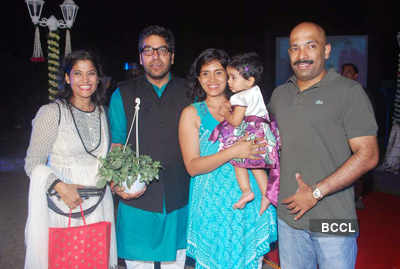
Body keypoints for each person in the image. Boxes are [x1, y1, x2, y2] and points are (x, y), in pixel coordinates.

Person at [269, 22, 379, 269]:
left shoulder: (349, 92)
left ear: (326, 51)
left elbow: (368, 155)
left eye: (311, 46)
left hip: (334, 219)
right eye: (295, 48)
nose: (302, 55)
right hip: (289, 219)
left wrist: (315, 193)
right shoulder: (279, 95)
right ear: (289, 55)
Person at [179, 48, 277, 269]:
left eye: (219, 72)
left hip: (247, 205)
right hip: (211, 207)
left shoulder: (246, 106)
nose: (212, 80)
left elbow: (262, 148)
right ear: (198, 78)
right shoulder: (192, 113)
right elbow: (192, 167)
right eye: (205, 73)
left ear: (230, 75)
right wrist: (233, 152)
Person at [24, 50, 117, 269]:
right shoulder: (51, 113)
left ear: (98, 78)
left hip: (99, 206)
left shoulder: (104, 113)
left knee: (95, 260)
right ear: (67, 78)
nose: (85, 80)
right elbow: (32, 162)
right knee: (64, 260)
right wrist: (59, 186)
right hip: (63, 205)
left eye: (91, 73)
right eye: (77, 73)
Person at [108, 25, 190, 269]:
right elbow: (117, 144)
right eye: (148, 50)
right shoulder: (123, 93)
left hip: (179, 198)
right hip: (137, 199)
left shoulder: (190, 91)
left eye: (162, 50)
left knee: (177, 263)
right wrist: (116, 183)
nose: (155, 56)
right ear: (140, 57)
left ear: (172, 56)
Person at [208, 52, 280, 215]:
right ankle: (266, 194)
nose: (229, 82)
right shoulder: (256, 91)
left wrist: (225, 112)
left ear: (250, 80)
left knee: (236, 160)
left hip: (251, 133)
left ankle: (246, 190)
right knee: (256, 166)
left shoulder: (239, 97)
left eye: (233, 77)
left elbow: (235, 121)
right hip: (263, 133)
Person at [341, 62, 367, 209]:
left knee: (357, 170)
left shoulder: (362, 93)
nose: (345, 74)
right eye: (343, 72)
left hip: (357, 138)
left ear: (356, 76)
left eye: (349, 72)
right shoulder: (335, 93)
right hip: (340, 139)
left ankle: (358, 197)